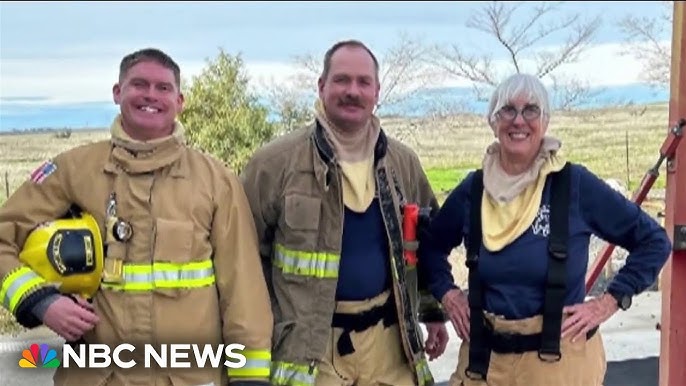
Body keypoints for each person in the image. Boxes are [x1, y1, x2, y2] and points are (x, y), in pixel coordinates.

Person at [0, 48, 273, 386]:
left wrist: (250, 378)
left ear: (180, 100)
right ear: (117, 92)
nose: (150, 95)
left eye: (163, 88)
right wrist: (41, 302)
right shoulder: (73, 171)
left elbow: (243, 288)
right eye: (138, 84)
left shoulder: (216, 180)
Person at [418, 73, 672, 386]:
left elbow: (653, 241)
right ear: (493, 122)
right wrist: (449, 295)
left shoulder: (574, 185)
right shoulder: (474, 190)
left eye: (531, 110)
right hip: (485, 361)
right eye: (507, 110)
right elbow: (430, 247)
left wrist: (608, 302)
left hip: (558, 361)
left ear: (545, 122)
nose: (518, 121)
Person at [240, 39, 449, 386]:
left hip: (390, 344)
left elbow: (426, 243)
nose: (353, 91)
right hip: (310, 349)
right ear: (321, 86)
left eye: (363, 82)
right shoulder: (274, 164)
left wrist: (432, 312)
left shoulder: (402, 163)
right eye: (341, 80)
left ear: (377, 91)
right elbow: (243, 261)